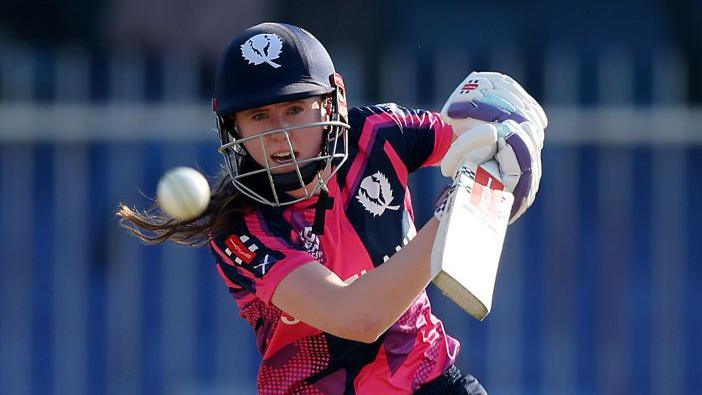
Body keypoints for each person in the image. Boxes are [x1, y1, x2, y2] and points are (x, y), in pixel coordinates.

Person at [118, 22, 546, 395]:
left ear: (331, 102)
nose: (280, 135)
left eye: (294, 109)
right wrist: (458, 212)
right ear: (232, 127)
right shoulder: (241, 230)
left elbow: (470, 139)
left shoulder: (377, 132)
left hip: (430, 382)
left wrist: (508, 141)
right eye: (259, 117)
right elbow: (358, 317)